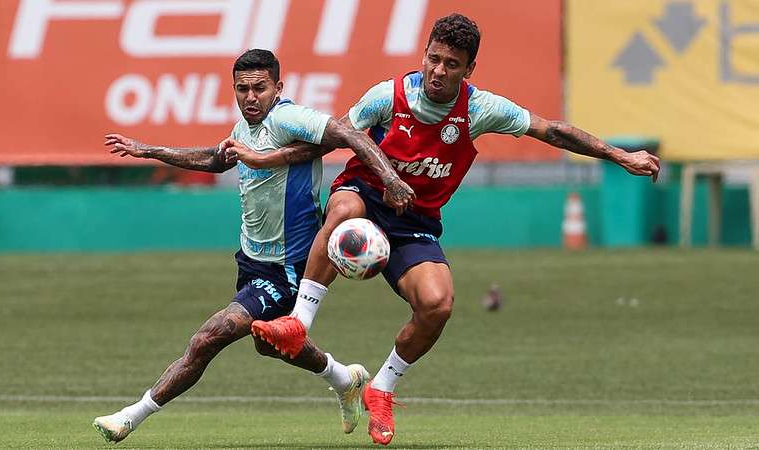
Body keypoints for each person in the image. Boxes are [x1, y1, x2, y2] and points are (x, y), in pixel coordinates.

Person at [239, 14, 661, 446]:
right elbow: (332, 137)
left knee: (438, 304)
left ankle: (381, 388)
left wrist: (620, 156)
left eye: (451, 64)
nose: (439, 71)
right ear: (424, 55)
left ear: (468, 70)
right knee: (343, 208)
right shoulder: (389, 95)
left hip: (415, 223)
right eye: (433, 59)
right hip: (366, 194)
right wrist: (262, 158)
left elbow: (551, 130)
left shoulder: (479, 110)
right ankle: (299, 322)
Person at [92, 49, 414, 443]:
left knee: (208, 337)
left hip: (288, 268)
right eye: (242, 89)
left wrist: (390, 179)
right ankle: (344, 378)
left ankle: (131, 416)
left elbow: (348, 133)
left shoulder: (288, 118)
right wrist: (150, 150)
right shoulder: (245, 126)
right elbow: (216, 159)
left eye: (259, 88)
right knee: (269, 345)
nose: (250, 97)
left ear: (277, 88)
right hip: (252, 261)